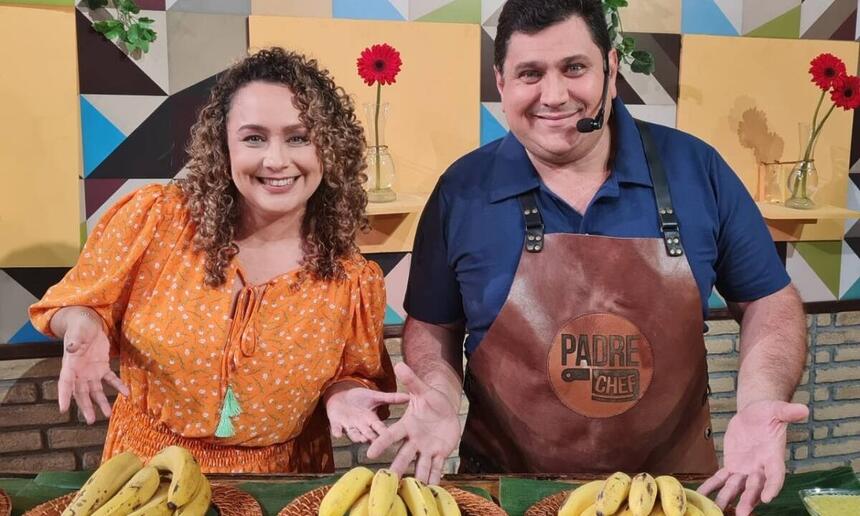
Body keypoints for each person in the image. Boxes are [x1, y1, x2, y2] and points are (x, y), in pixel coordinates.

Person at [366, 1, 809, 514]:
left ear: (611, 70)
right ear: (501, 83)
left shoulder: (697, 171)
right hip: (507, 494)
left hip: (673, 492)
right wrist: (441, 397)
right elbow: (434, 325)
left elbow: (769, 302)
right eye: (530, 73)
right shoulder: (461, 191)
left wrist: (757, 402)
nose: (554, 96)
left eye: (574, 68)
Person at [30, 47, 407, 473]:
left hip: (277, 478)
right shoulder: (157, 220)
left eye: (299, 137)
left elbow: (354, 372)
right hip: (146, 469)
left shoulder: (350, 279)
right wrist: (82, 324)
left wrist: (344, 394)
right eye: (254, 137)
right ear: (223, 145)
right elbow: (75, 302)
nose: (276, 159)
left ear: (329, 149)